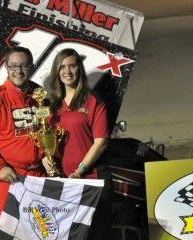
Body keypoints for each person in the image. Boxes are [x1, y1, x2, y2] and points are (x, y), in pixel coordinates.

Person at [0, 46, 46, 235]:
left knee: (40, 233)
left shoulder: (40, 96)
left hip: (38, 176)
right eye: (13, 66)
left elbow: (49, 130)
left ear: (32, 67)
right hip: (8, 177)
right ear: (6, 68)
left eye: (24, 66)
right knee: (7, 234)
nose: (18, 71)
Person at [43, 48, 113, 240]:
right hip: (62, 181)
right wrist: (44, 157)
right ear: (57, 71)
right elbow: (45, 138)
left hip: (91, 179)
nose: (68, 71)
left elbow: (101, 143)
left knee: (96, 235)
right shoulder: (51, 105)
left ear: (79, 69)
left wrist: (79, 171)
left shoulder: (93, 101)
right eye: (63, 67)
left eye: (72, 65)